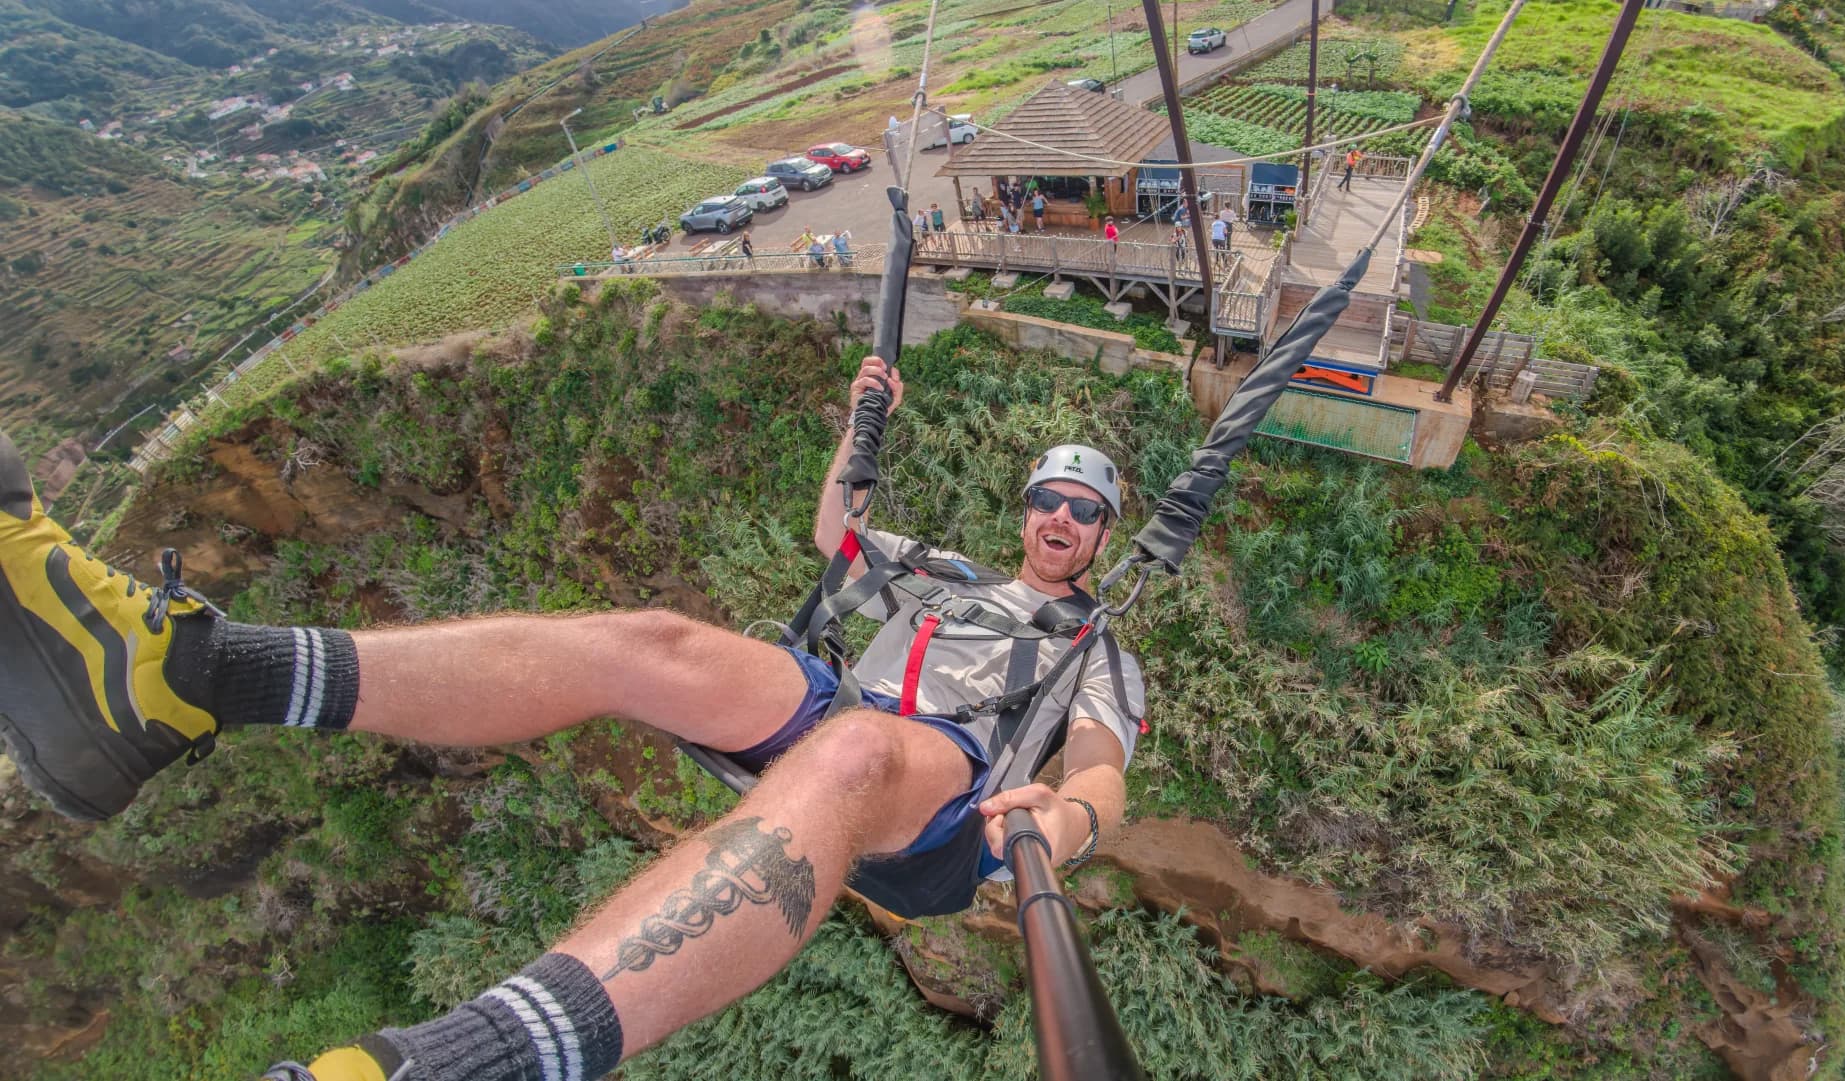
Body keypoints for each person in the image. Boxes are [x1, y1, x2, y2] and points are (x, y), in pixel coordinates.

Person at [0, 369, 1146, 1081]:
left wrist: (1067, 819)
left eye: (1082, 510)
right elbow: (837, 530)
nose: (1058, 517)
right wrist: (865, 416)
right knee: (645, 639)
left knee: (855, 751)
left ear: (1101, 538)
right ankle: (187, 673)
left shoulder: (1102, 651)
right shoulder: (943, 572)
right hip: (843, 699)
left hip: (943, 804)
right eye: (1047, 497)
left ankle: (450, 1069)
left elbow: (1100, 769)